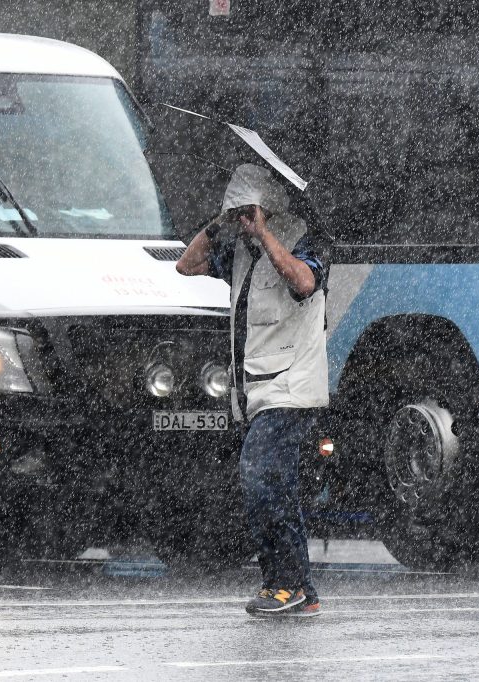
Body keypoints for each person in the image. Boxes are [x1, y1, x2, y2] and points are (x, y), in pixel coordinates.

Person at [176, 163, 330, 617]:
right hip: (253, 391)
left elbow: (303, 281)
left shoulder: (306, 237)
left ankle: (281, 583)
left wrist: (265, 233)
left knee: (259, 477)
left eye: (249, 208)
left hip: (291, 386)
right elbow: (187, 264)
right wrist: (219, 223)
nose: (244, 218)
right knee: (277, 487)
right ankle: (301, 588)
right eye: (239, 210)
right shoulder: (240, 251)